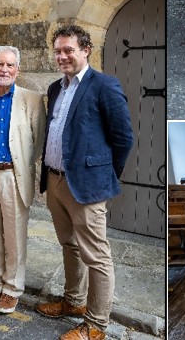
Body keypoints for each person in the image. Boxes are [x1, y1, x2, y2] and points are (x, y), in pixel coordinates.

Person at [35, 24, 134, 340]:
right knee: (69, 245)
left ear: (85, 50)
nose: (62, 56)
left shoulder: (104, 86)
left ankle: (96, 324)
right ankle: (74, 302)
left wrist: (104, 175)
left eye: (69, 50)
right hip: (54, 181)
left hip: (86, 186)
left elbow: (123, 138)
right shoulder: (55, 88)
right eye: (58, 51)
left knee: (97, 256)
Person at [0, 45, 47, 314]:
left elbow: (38, 143)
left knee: (15, 236)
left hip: (15, 176)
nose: (4, 70)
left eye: (10, 65)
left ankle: (13, 288)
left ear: (18, 69)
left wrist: (21, 164)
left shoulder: (33, 100)